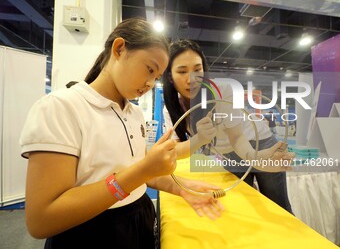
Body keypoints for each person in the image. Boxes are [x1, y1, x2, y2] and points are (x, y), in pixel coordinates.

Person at [19, 18, 224, 249]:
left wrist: (182, 188)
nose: (149, 84)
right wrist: (143, 170)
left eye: (156, 77)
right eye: (149, 69)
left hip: (139, 221)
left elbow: (142, 171)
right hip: (89, 235)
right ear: (119, 49)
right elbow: (41, 220)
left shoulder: (134, 113)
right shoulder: (60, 107)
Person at [163, 39, 293, 213]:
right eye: (182, 71)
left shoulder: (221, 91)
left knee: (277, 206)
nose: (191, 79)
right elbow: (175, 151)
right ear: (170, 77)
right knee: (241, 205)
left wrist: (256, 159)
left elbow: (237, 137)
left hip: (259, 142)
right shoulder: (172, 109)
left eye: (197, 69)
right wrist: (199, 139)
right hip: (230, 155)